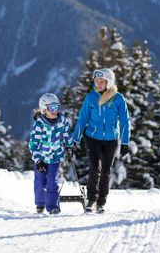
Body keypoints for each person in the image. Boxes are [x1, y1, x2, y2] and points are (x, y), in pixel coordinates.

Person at [73, 68, 130, 214]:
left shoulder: (118, 99)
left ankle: (101, 202)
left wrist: (125, 142)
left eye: (101, 82)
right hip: (92, 137)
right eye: (96, 81)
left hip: (111, 140)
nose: (97, 84)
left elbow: (125, 121)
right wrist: (75, 139)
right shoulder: (91, 98)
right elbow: (82, 119)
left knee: (106, 170)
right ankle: (91, 200)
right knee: (95, 168)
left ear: (109, 83)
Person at [29, 93, 74, 214]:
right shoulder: (39, 125)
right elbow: (33, 144)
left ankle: (53, 206)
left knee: (52, 182)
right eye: (52, 108)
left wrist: (70, 145)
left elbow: (66, 134)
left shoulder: (62, 121)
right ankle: (40, 203)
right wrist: (38, 160)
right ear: (44, 110)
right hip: (42, 158)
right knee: (40, 181)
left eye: (57, 107)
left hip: (55, 158)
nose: (55, 111)